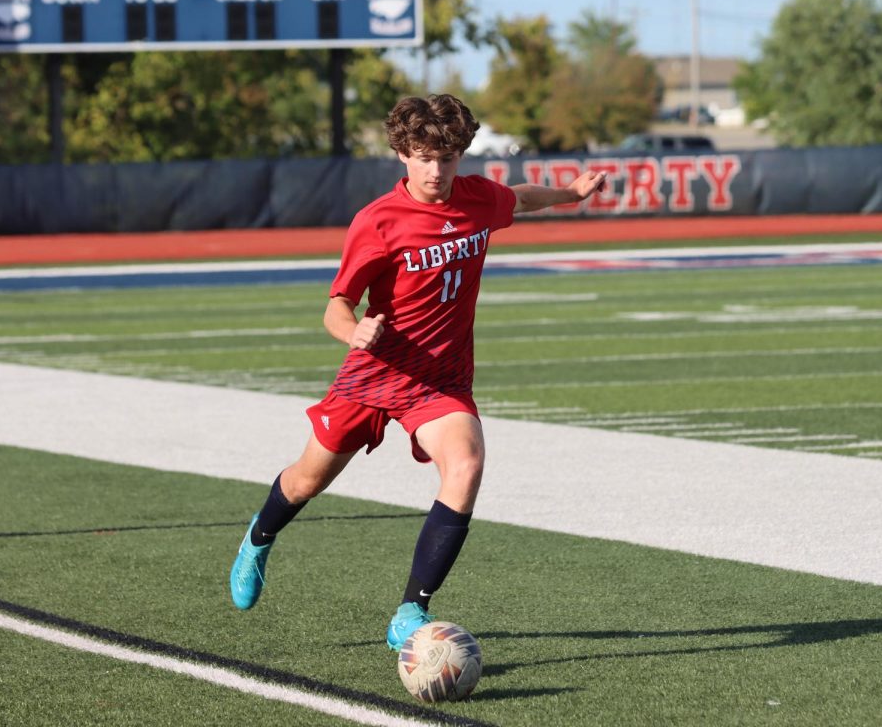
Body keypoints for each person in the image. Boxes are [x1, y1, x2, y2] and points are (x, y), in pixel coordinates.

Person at [228, 93, 607, 650]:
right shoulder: (377, 222)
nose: (436, 170)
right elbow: (337, 303)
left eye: (448, 158)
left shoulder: (477, 198)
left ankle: (411, 610)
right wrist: (351, 330)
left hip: (441, 381)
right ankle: (259, 538)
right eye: (424, 157)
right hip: (372, 375)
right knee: (307, 479)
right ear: (402, 154)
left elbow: (518, 199)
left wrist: (569, 195)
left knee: (468, 462)